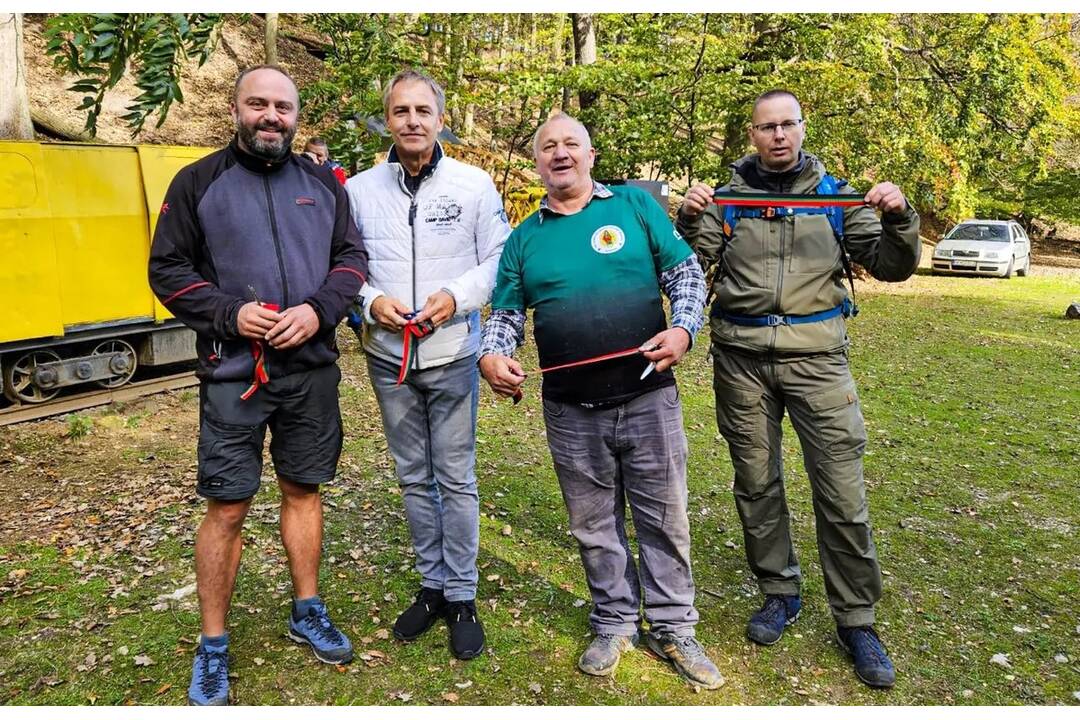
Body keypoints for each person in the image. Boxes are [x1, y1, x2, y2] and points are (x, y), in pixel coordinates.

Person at [676, 89, 921, 689]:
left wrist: (899, 218)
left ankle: (856, 618)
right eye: (767, 127)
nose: (779, 135)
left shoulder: (837, 198)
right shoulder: (728, 200)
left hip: (818, 362)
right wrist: (688, 218)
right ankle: (779, 591)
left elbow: (892, 266)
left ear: (803, 128)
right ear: (752, 135)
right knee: (756, 484)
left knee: (841, 491)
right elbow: (686, 268)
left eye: (788, 124)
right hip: (741, 361)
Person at [148, 65, 368, 705]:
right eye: (258, 104)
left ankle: (307, 610)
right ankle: (213, 645)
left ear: (296, 116)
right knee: (227, 506)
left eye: (282, 106)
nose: (271, 116)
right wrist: (229, 313)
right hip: (233, 374)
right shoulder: (197, 183)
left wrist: (318, 311)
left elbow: (351, 259)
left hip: (310, 372)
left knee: (304, 489)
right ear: (235, 109)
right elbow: (167, 269)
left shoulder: (323, 184)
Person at [479, 112, 722, 690]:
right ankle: (614, 622)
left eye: (572, 144)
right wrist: (491, 355)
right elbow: (505, 316)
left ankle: (674, 627)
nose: (560, 153)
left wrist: (684, 330)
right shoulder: (524, 238)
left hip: (648, 397)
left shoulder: (635, 207)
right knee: (594, 525)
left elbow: (686, 276)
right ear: (537, 162)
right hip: (570, 410)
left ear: (590, 156)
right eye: (548, 146)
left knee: (664, 517)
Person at [344, 69, 510, 660]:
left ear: (441, 119)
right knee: (414, 476)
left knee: (456, 478)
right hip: (388, 357)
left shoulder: (473, 184)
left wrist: (455, 297)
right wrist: (370, 302)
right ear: (386, 121)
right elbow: (344, 264)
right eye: (400, 111)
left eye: (422, 111)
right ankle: (432, 585)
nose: (412, 121)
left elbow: (499, 259)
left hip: (452, 353)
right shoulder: (359, 190)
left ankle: (462, 594)